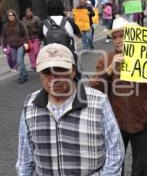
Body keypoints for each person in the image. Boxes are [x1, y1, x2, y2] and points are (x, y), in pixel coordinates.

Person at [16, 43, 125, 175]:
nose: (54, 78)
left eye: (60, 70)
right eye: (46, 72)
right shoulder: (30, 105)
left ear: (73, 71)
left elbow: (115, 151)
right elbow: (25, 160)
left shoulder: (98, 102)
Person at [89, 17, 147, 176]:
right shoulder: (107, 59)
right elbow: (94, 89)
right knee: (115, 166)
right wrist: (110, 70)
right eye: (115, 37)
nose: (118, 40)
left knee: (140, 168)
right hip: (116, 124)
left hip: (143, 123)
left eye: (123, 35)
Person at [2, 9, 29, 83]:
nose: (11, 16)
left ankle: (22, 76)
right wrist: (4, 47)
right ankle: (25, 73)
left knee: (20, 60)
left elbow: (25, 33)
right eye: (9, 15)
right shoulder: (5, 26)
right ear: (7, 17)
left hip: (20, 44)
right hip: (12, 46)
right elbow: (4, 37)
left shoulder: (19, 23)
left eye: (12, 15)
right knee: (18, 61)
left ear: (15, 15)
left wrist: (26, 43)